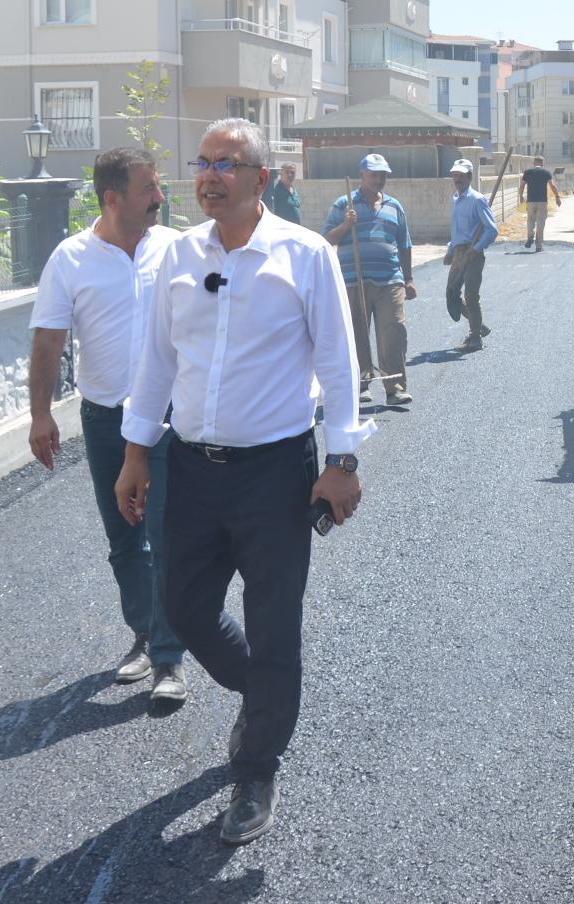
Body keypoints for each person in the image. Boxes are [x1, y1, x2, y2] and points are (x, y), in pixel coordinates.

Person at [114, 117, 370, 847]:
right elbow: (155, 363)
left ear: (263, 178)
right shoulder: (178, 257)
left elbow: (338, 364)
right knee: (184, 608)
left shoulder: (304, 254)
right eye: (202, 162)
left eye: (228, 163)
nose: (211, 174)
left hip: (276, 475)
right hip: (191, 470)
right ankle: (265, 698)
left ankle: (256, 766)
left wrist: (342, 461)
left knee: (274, 623)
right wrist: (137, 453)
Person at [27, 146, 187, 705]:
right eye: (149, 189)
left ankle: (169, 658)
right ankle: (144, 634)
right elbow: (48, 339)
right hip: (103, 419)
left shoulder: (175, 249)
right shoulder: (70, 259)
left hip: (170, 416)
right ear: (112, 197)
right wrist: (41, 413)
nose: (160, 200)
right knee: (125, 536)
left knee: (167, 533)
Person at [322, 152, 416, 406]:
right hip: (354, 280)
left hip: (389, 280)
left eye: (382, 175)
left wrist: (408, 278)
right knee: (356, 334)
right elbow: (325, 241)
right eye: (373, 175)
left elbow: (404, 244)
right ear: (362, 175)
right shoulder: (344, 205)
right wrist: (345, 225)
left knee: (393, 332)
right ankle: (362, 384)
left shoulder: (394, 206)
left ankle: (395, 387)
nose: (378, 179)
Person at [445, 158, 498, 351]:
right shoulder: (456, 199)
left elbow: (491, 230)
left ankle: (475, 337)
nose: (457, 178)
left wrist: (476, 249)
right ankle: (479, 324)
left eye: (461, 175)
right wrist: (450, 250)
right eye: (455, 175)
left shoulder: (477, 200)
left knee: (471, 295)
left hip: (473, 253)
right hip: (459, 253)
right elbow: (456, 230)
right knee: (452, 295)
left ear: (469, 177)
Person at [520, 155, 562, 250]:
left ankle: (530, 236)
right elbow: (552, 185)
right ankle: (539, 246)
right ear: (542, 163)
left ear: (534, 163)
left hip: (530, 201)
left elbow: (522, 185)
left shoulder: (528, 172)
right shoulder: (546, 173)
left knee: (530, 220)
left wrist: (521, 196)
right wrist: (557, 197)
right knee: (540, 223)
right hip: (542, 202)